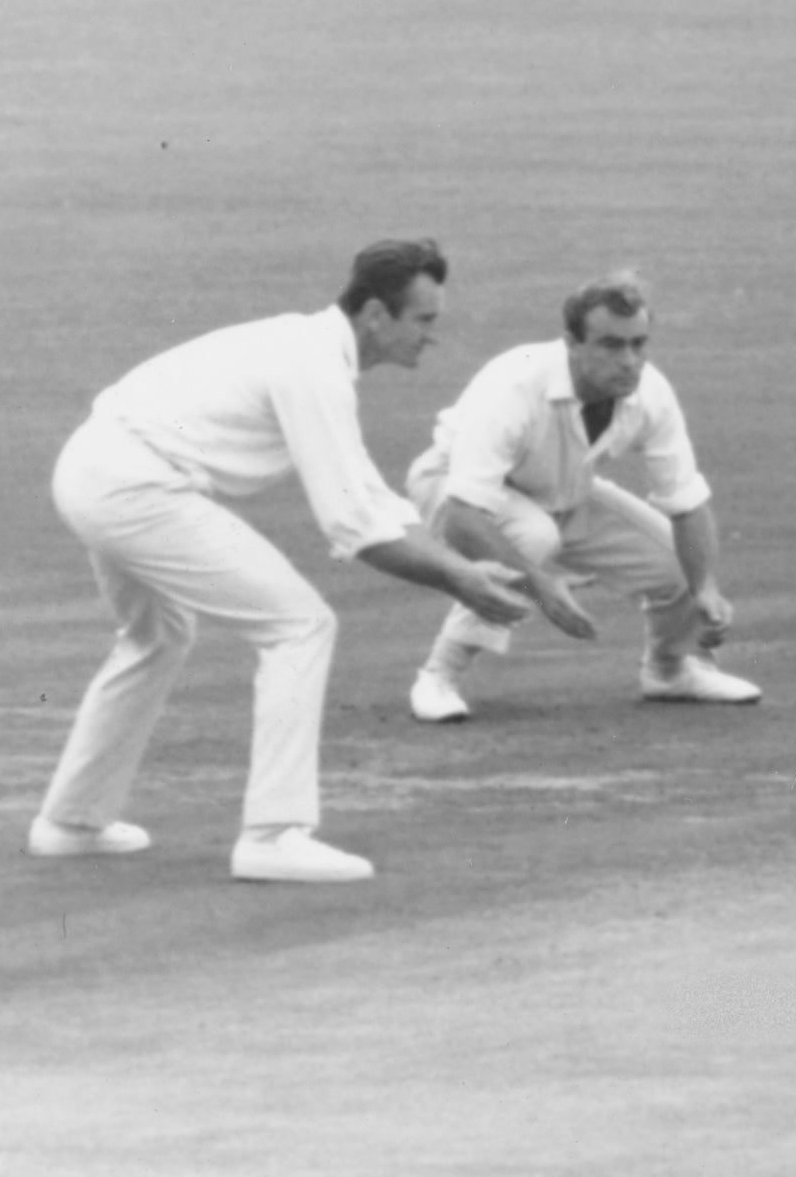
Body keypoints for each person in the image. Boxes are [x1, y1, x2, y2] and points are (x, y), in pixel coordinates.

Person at [29, 238, 542, 886]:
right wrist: (460, 577)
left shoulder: (311, 350)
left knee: (158, 633)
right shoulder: (314, 366)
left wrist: (457, 567)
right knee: (299, 625)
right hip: (135, 488)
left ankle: (71, 821)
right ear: (377, 316)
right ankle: (273, 834)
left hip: (90, 470)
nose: (431, 337)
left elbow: (367, 491)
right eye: (424, 320)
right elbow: (353, 525)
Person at [396, 274, 755, 721]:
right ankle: (438, 676)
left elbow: (686, 500)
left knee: (677, 561)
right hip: (450, 487)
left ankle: (670, 669)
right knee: (533, 535)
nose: (629, 361)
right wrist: (541, 586)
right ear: (572, 343)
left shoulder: (651, 392)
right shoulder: (515, 387)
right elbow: (466, 517)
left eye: (638, 344)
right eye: (610, 345)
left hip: (561, 492)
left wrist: (705, 587)